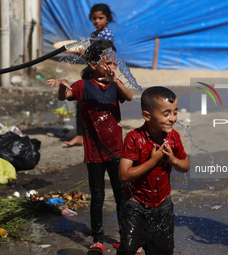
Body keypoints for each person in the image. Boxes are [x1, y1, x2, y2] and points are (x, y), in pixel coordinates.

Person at [47, 39, 132, 255]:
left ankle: (126, 238)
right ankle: (98, 239)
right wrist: (63, 85)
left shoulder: (115, 86)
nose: (112, 68)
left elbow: (130, 96)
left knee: (122, 195)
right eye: (108, 63)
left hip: (116, 152)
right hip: (94, 153)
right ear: (93, 65)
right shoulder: (83, 86)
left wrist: (114, 81)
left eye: (114, 63)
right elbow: (65, 95)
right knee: (97, 197)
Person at [117, 86, 190, 255]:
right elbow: (124, 175)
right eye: (166, 114)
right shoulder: (134, 138)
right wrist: (154, 160)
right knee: (128, 249)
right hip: (136, 205)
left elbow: (185, 166)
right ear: (147, 115)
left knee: (162, 251)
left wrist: (172, 160)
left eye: (175, 112)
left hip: (163, 206)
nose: (172, 118)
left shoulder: (173, 138)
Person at [65, 3, 115, 147]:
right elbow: (91, 58)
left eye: (100, 18)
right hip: (91, 72)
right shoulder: (94, 35)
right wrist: (79, 52)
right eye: (94, 18)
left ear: (108, 19)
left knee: (98, 104)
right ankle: (82, 135)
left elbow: (102, 59)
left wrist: (81, 52)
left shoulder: (106, 35)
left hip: (100, 75)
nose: (97, 21)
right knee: (83, 102)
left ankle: (95, 136)